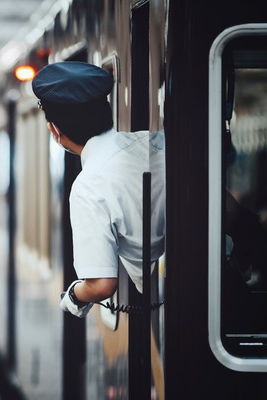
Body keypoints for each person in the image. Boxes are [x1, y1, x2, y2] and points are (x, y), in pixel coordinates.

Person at [31, 61, 165, 318]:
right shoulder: (156, 141)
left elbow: (101, 285)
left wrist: (72, 296)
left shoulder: (88, 187)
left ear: (54, 130)